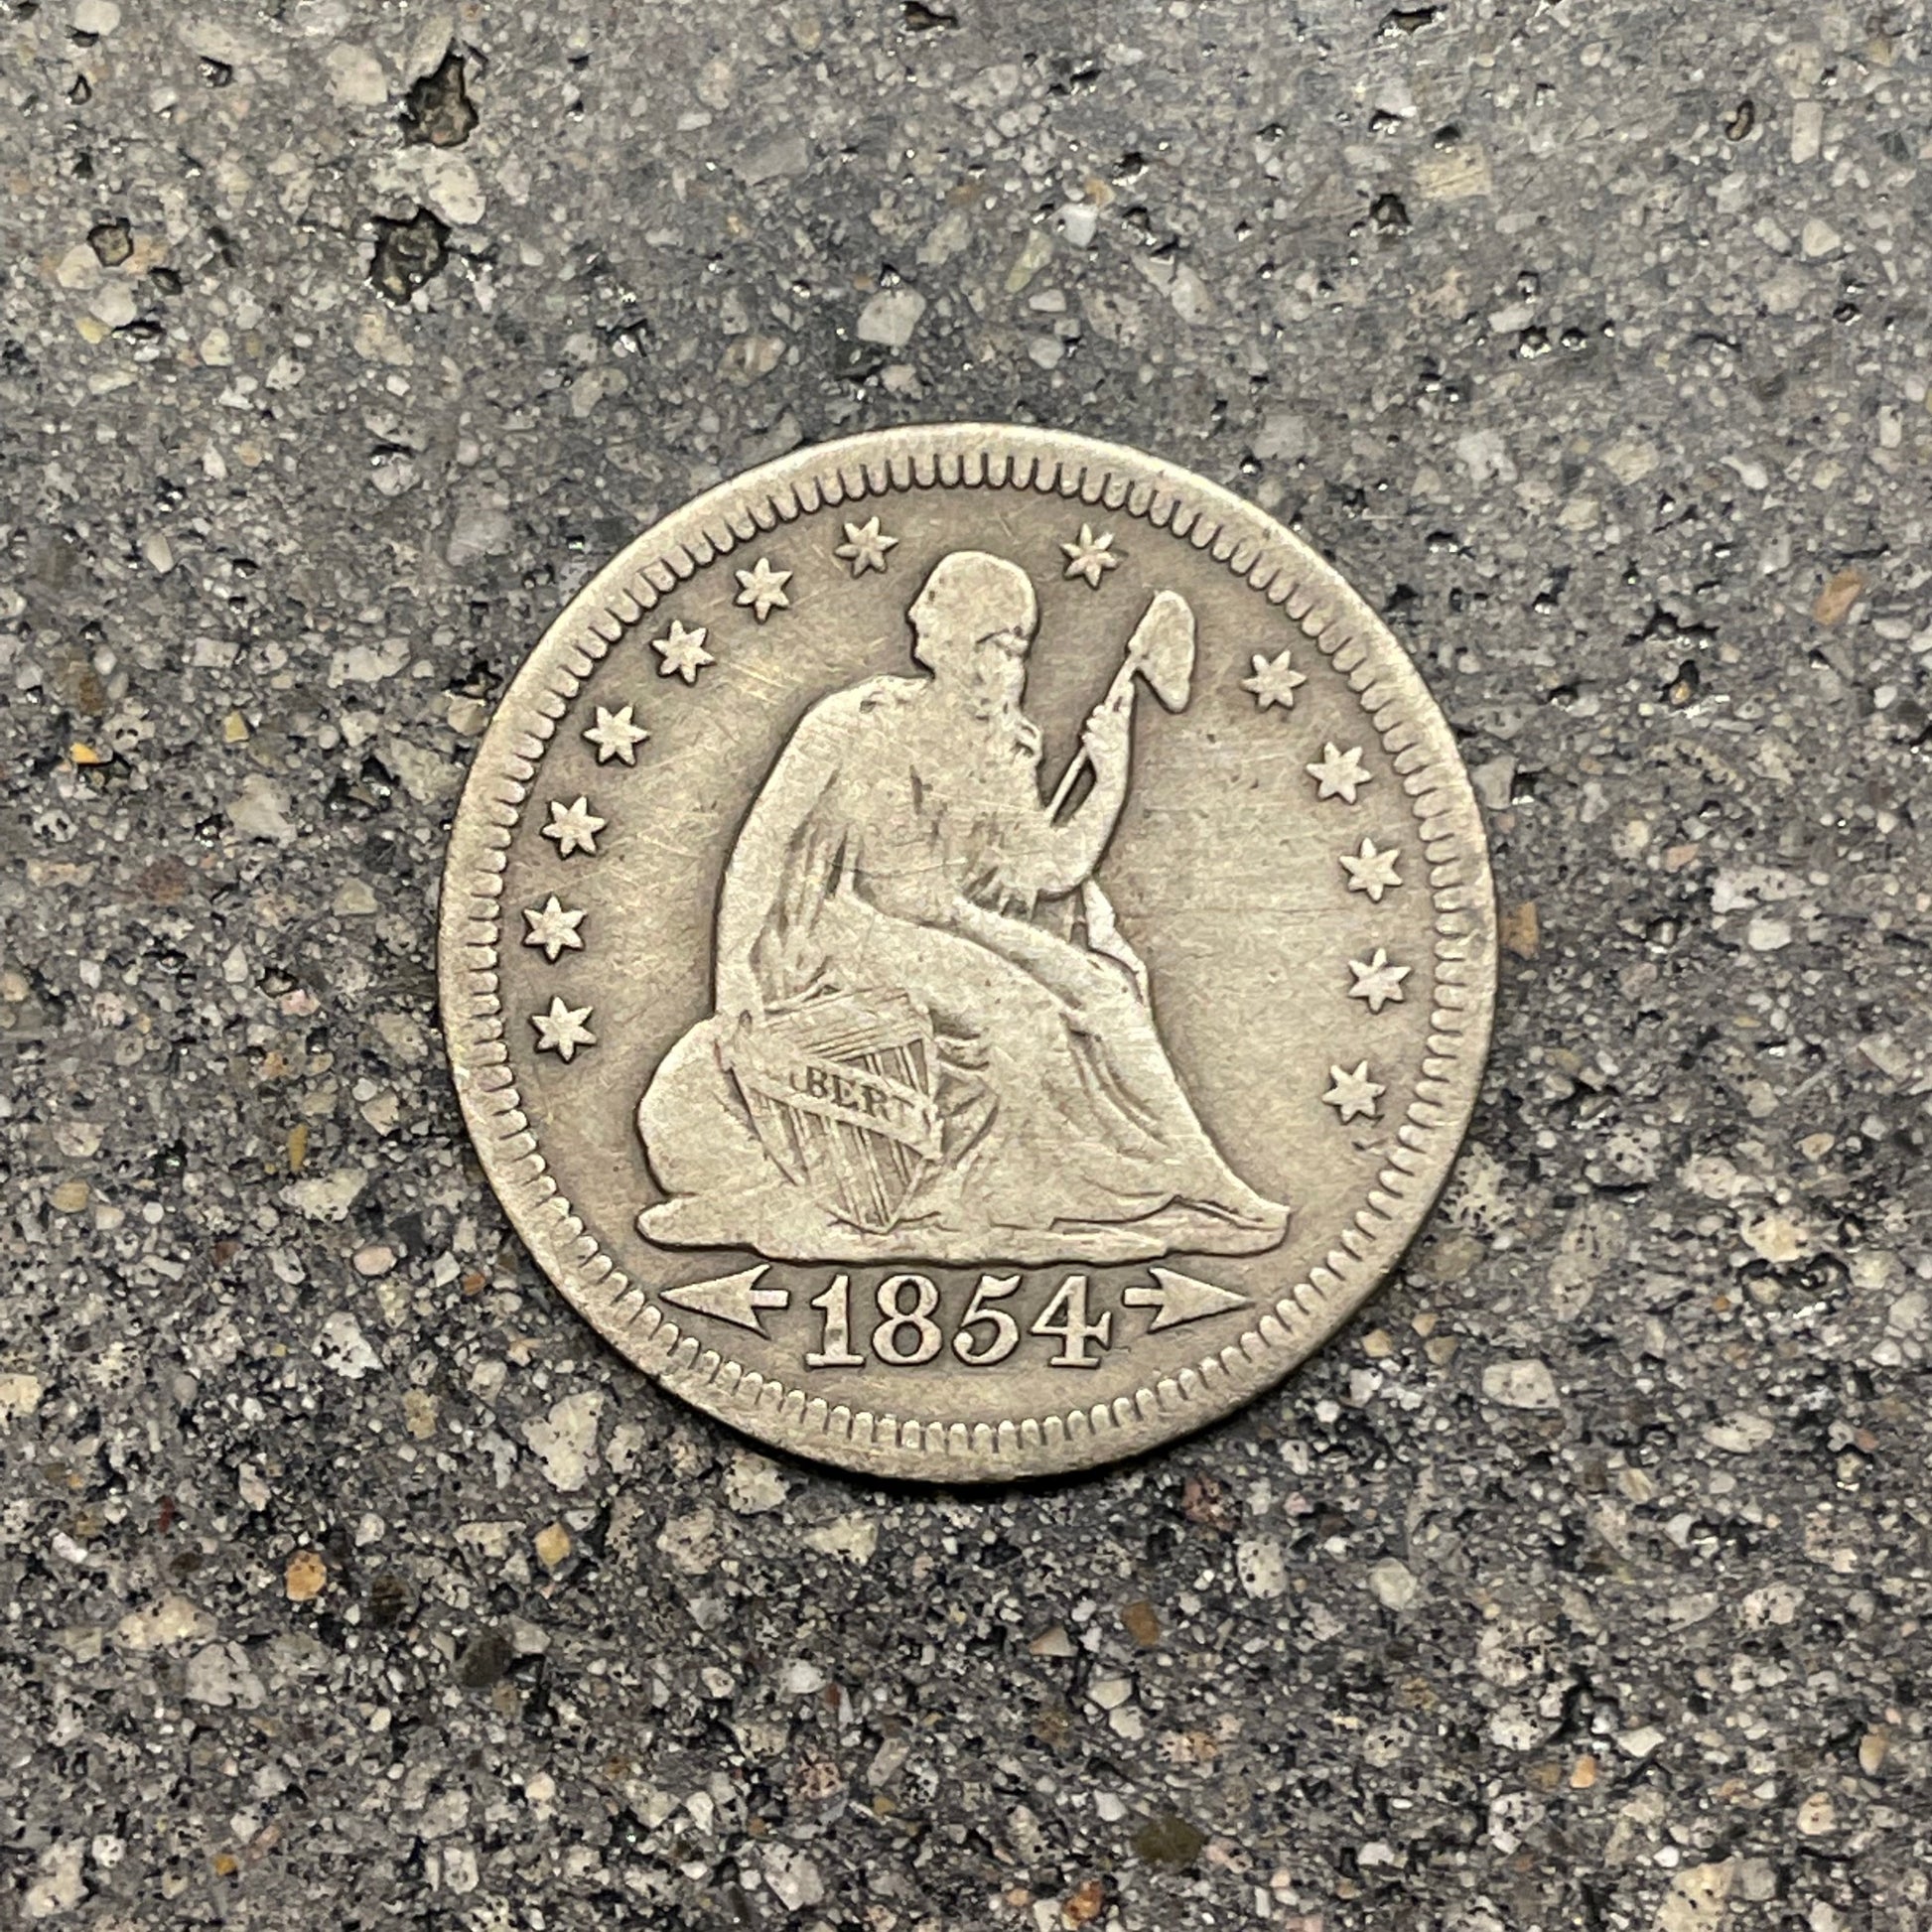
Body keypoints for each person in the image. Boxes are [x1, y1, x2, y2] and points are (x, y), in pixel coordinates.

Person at [635, 549, 1288, 1265]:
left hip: (948, 921)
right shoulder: (853, 722)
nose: (997, 667)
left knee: (1105, 993)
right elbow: (765, 842)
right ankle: (1046, 1198)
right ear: (937, 640)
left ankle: (1202, 1177)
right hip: (847, 932)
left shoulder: (1006, 745)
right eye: (984, 643)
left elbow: (1051, 870)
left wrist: (1111, 777)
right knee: (1026, 1014)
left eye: (1013, 649)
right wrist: (733, 970)